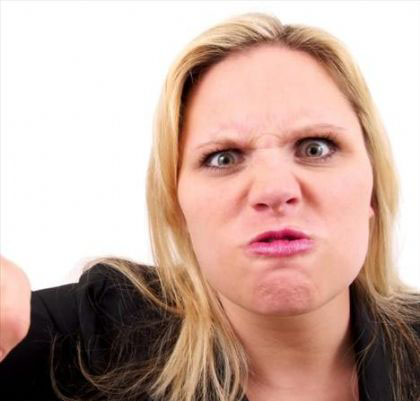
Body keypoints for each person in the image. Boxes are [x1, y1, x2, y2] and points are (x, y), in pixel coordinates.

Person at [0, 12, 419, 401]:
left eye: (316, 148)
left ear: (373, 189)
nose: (274, 190)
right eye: (223, 158)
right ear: (177, 207)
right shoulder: (83, 341)